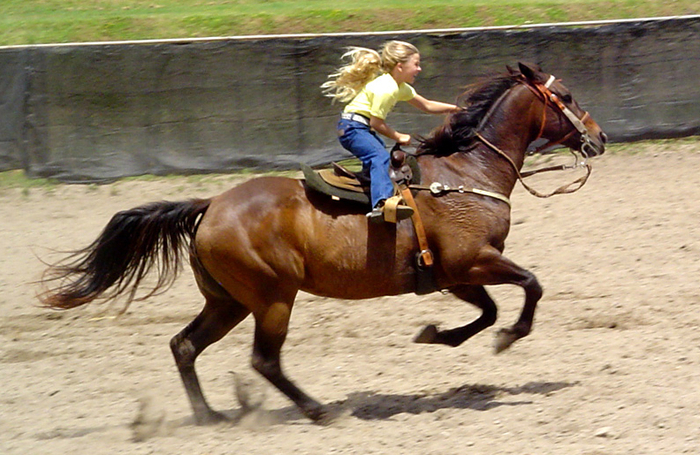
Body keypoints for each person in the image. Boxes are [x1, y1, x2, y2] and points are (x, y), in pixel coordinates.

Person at [322, 40, 459, 222]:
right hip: (353, 128)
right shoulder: (386, 89)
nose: (419, 69)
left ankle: (367, 192)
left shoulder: (399, 87)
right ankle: (382, 204)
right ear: (400, 67)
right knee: (379, 157)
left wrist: (456, 109)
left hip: (357, 127)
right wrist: (398, 136)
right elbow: (377, 123)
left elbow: (427, 105)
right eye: (416, 64)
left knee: (377, 158)